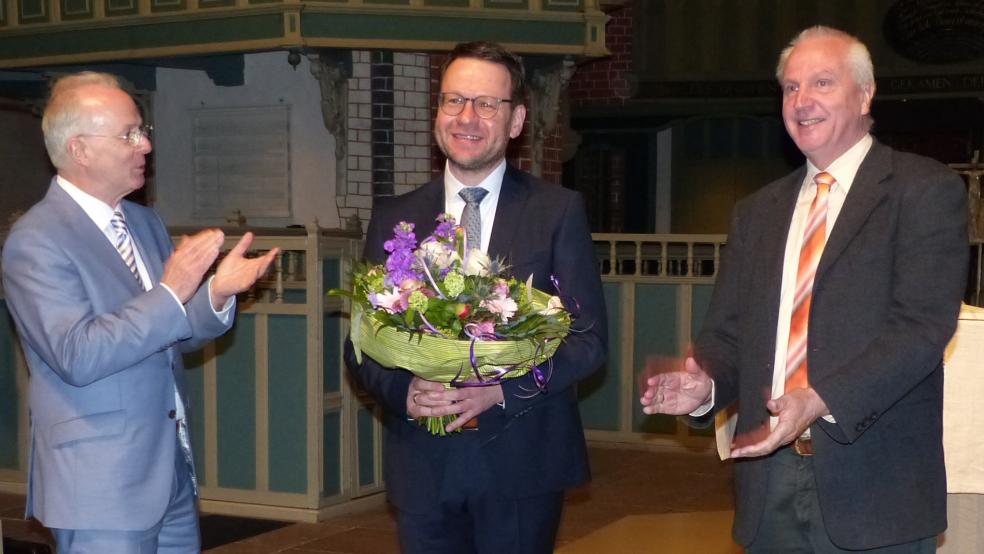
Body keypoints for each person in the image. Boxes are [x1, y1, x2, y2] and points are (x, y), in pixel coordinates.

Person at [640, 26, 968, 553]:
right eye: (791, 87)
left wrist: (819, 400)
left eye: (822, 83)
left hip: (876, 487)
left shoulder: (923, 190)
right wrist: (706, 385)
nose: (802, 101)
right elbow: (727, 335)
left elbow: (922, 329)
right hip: (768, 480)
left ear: (865, 94)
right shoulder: (756, 212)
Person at [344, 41, 607, 553]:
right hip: (424, 466)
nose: (467, 117)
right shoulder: (394, 217)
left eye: (486, 104)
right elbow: (359, 344)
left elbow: (588, 341)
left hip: (522, 463)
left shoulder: (556, 212)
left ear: (516, 120)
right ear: (437, 111)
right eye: (454, 100)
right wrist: (405, 392)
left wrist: (501, 391)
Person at [1, 72, 279, 553]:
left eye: (142, 130)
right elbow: (77, 354)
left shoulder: (143, 222)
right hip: (100, 484)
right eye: (128, 134)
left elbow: (169, 332)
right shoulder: (37, 239)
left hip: (169, 471)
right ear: (80, 149)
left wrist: (215, 293)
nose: (145, 145)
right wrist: (172, 290)